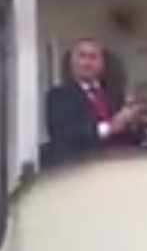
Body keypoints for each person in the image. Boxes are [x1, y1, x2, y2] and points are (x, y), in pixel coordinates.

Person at [44, 37, 139, 165]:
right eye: (82, 56)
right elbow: (64, 134)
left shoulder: (115, 94)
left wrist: (135, 121)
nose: (87, 63)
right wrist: (109, 127)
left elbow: (130, 136)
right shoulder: (59, 95)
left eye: (93, 57)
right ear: (72, 62)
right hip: (80, 169)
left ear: (102, 63)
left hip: (118, 167)